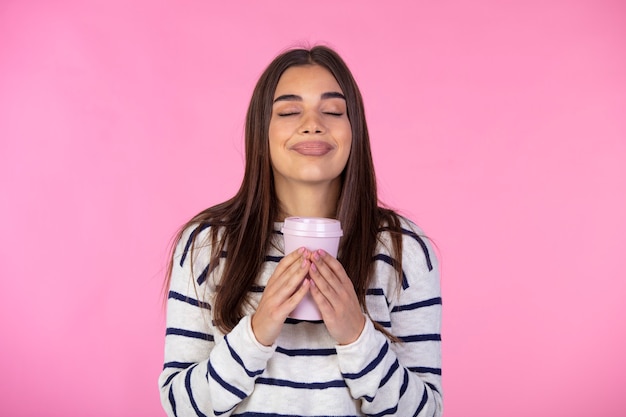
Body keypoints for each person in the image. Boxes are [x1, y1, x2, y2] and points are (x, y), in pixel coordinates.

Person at [159, 45, 443, 417]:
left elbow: (426, 412)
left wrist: (356, 336)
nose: (312, 123)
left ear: (354, 130)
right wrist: (257, 332)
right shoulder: (206, 244)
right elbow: (179, 406)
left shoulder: (405, 249)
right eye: (290, 111)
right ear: (261, 131)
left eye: (333, 111)